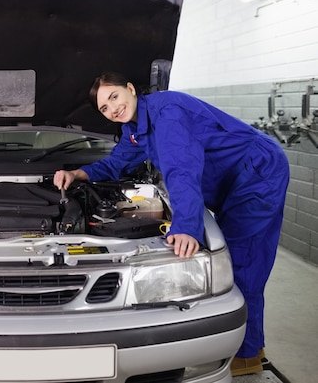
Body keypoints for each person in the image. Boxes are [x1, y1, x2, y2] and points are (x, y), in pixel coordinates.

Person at [53, 71, 289, 377]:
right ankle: (249, 346)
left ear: (130, 89)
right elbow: (117, 162)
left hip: (257, 173)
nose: (113, 109)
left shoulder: (168, 114)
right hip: (234, 180)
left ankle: (249, 354)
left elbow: (181, 170)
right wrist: (78, 175)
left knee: (243, 262)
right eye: (104, 109)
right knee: (240, 256)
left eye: (114, 97)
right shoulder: (136, 128)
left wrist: (186, 227)